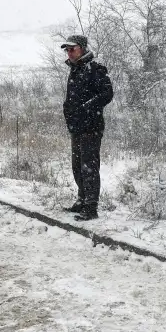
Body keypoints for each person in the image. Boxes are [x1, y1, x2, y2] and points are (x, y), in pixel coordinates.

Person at [60, 34, 113, 221]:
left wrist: (86, 109)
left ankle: (91, 207)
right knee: (77, 167)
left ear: (82, 48)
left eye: (72, 49)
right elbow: (72, 100)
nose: (69, 52)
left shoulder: (95, 69)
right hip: (76, 128)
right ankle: (82, 200)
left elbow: (107, 94)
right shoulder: (74, 70)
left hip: (91, 127)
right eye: (67, 49)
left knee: (89, 167)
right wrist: (68, 113)